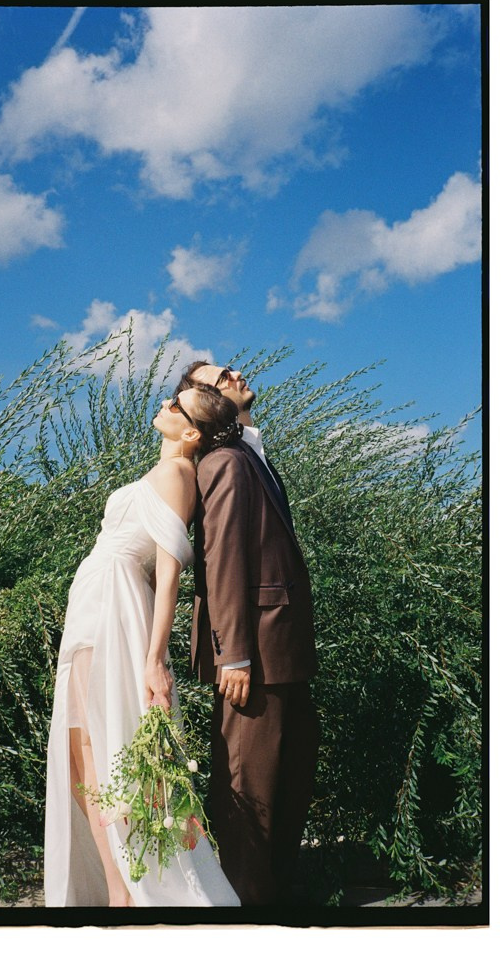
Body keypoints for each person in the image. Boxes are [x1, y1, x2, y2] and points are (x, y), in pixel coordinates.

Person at [44, 384, 242, 908]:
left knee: (105, 747)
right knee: (80, 748)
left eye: (178, 407)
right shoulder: (159, 472)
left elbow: (170, 572)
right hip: (92, 600)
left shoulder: (179, 473)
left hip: (116, 604)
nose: (166, 405)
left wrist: (155, 658)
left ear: (191, 432)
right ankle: (118, 887)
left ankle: (127, 892)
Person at [176, 361, 320, 906]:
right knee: (249, 795)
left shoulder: (250, 454)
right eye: (220, 375)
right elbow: (223, 561)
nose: (236, 371)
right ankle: (242, 917)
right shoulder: (226, 462)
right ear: (203, 403)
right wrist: (233, 655)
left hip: (283, 650)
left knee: (289, 779)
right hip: (253, 656)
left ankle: (276, 902)